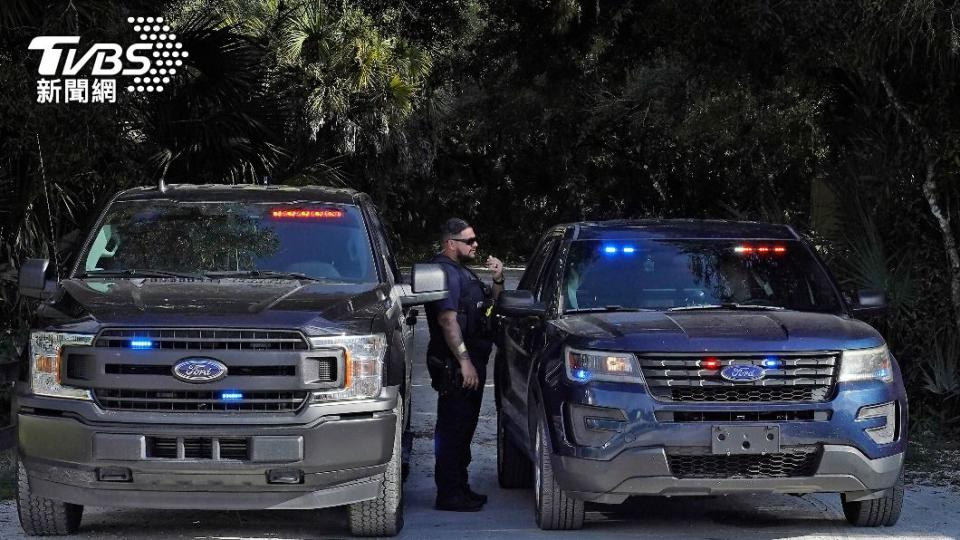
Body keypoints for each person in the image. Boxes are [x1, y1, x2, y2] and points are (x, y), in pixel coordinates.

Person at [425, 218, 504, 512]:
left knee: (465, 429)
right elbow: (447, 321)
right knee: (453, 429)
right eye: (469, 241)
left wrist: (497, 281)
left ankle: (460, 486)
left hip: (470, 363)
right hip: (456, 367)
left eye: (474, 239)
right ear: (450, 243)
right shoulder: (444, 273)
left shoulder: (462, 272)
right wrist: (465, 362)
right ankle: (448, 493)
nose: (475, 245)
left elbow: (488, 310)